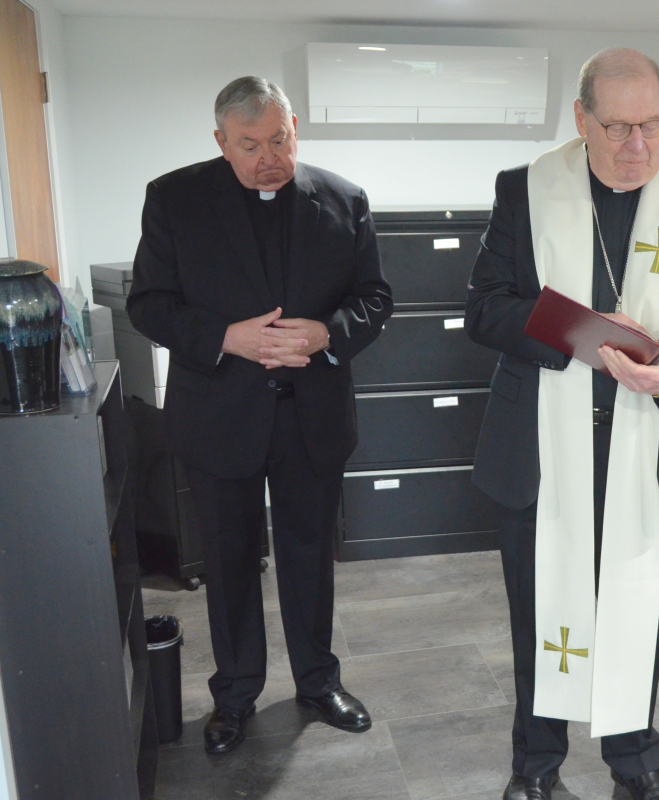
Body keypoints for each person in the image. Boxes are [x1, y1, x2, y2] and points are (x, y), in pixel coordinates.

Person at [466, 48, 659, 800]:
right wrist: (581, 332)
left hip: (644, 449)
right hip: (541, 450)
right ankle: (536, 768)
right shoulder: (525, 192)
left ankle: (633, 760)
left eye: (651, 124)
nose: (636, 146)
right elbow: (483, 309)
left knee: (632, 610)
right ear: (580, 119)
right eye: (617, 126)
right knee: (540, 615)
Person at [127, 76, 392, 754]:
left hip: (313, 415)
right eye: (250, 146)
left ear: (295, 127)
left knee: (310, 556)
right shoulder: (174, 198)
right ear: (221, 142)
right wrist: (226, 337)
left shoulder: (344, 199)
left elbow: (375, 298)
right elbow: (149, 304)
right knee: (230, 560)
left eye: (280, 139)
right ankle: (236, 695)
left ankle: (318, 682)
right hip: (221, 414)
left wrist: (329, 332)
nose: (269, 156)